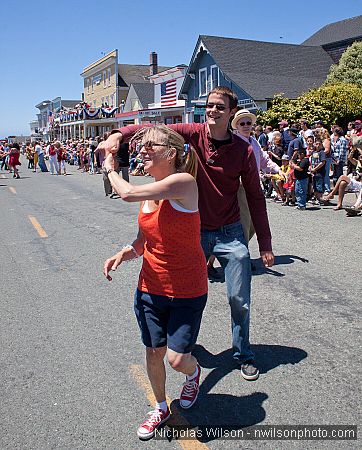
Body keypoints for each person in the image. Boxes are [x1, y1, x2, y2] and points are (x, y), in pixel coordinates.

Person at [102, 86, 274, 381]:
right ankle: (183, 343)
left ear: (232, 113)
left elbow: (256, 197)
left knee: (239, 298)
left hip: (230, 231)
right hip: (195, 229)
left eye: (220, 107)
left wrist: (266, 244)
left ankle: (243, 353)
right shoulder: (193, 133)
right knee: (186, 287)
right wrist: (120, 133)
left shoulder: (243, 150)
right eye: (209, 105)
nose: (213, 111)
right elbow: (155, 130)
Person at [102, 125, 207, 440]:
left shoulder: (184, 183)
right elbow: (144, 240)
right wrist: (125, 253)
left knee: (177, 359)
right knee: (153, 352)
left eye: (150, 146)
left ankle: (193, 373)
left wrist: (110, 167)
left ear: (171, 152)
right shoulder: (152, 192)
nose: (142, 150)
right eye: (140, 145)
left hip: (188, 289)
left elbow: (126, 193)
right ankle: (161, 406)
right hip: (150, 287)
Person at [309, 138, 326, 205]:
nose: (318, 145)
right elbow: (311, 161)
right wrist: (311, 168)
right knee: (314, 186)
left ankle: (320, 199)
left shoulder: (322, 153)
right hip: (313, 172)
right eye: (316, 144)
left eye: (319, 144)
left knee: (319, 186)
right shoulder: (314, 152)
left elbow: (322, 162)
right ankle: (316, 198)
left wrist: (315, 169)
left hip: (320, 172)